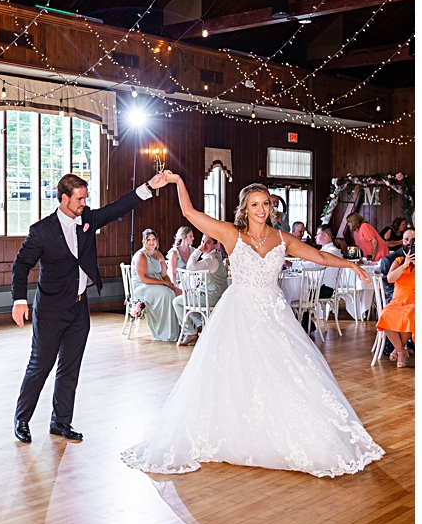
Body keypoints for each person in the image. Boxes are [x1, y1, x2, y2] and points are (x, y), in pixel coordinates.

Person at [122, 178, 381, 478]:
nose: (261, 209)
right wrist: (180, 181)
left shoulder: (282, 239)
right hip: (238, 311)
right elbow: (191, 213)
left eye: (266, 204)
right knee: (234, 371)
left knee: (286, 371)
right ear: (245, 208)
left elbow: (320, 256)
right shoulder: (232, 234)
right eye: (255, 204)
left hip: (273, 312)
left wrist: (350, 265)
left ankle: (284, 432)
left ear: (271, 207)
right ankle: (235, 432)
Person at [10, 171, 170, 443]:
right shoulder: (42, 231)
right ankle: (22, 420)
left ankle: (61, 422)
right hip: (50, 310)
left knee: (70, 367)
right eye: (80, 199)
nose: (85, 203)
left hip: (79, 308)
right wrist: (19, 300)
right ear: (64, 198)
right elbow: (21, 265)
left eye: (86, 198)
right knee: (40, 366)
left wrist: (149, 187)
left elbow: (119, 206)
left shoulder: (88, 220)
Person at [173, 233, 228, 345]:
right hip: (212, 295)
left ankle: (191, 333)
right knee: (188, 301)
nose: (204, 245)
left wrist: (198, 250)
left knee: (177, 302)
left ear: (215, 245)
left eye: (208, 242)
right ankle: (201, 327)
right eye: (203, 241)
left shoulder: (211, 260)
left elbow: (190, 266)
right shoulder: (212, 257)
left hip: (211, 297)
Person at [130, 229, 181, 342]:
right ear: (143, 242)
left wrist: (170, 283)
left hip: (157, 284)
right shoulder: (140, 255)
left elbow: (164, 275)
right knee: (166, 294)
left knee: (177, 292)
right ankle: (165, 333)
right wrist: (164, 284)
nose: (151, 242)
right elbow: (144, 278)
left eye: (154, 239)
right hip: (142, 286)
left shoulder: (159, 254)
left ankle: (181, 331)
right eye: (148, 240)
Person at [377, 241, 416, 368]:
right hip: (398, 300)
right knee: (385, 315)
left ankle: (398, 352)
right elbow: (390, 279)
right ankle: (400, 350)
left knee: (408, 317)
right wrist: (405, 265)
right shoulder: (399, 260)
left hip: (415, 301)